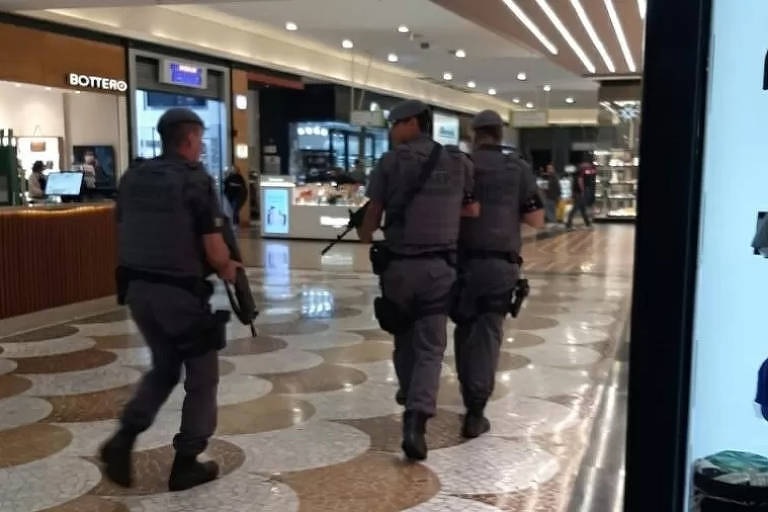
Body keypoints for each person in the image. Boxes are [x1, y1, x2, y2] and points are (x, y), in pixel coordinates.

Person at [100, 107, 241, 492]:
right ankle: (187, 462)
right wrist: (229, 268)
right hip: (180, 295)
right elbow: (214, 251)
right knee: (202, 376)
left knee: (164, 367)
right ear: (192, 138)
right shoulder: (194, 180)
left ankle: (123, 438)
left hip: (138, 291)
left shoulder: (133, 178)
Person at [356, 99, 477, 461]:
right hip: (439, 268)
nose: (391, 132)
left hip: (399, 268)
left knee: (403, 336)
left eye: (395, 124)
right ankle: (416, 419)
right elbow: (470, 209)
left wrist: (363, 231)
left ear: (411, 123)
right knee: (430, 346)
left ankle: (410, 395)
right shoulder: (458, 162)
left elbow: (371, 223)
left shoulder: (390, 163)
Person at [452, 110, 545, 438]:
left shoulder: (461, 165)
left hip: (460, 266)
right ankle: (476, 410)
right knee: (488, 333)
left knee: (464, 331)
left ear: (474, 134)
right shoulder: (517, 168)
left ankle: (468, 395)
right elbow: (536, 220)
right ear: (500, 133)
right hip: (499, 268)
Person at [566, 160, 593, 229]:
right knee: (575, 209)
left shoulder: (577, 172)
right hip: (578, 193)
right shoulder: (581, 172)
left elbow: (575, 182)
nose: (588, 166)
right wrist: (582, 191)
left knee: (582, 209)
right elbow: (580, 181)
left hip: (576, 193)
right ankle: (568, 224)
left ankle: (588, 224)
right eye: (586, 165)